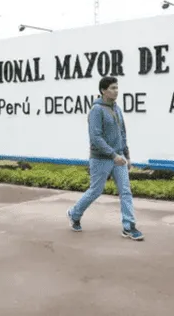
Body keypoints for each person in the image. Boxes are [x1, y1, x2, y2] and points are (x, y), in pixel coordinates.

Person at [67, 76, 144, 241]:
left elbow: (122, 133)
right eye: (113, 88)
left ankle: (129, 226)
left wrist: (126, 155)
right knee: (96, 190)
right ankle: (74, 214)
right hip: (101, 158)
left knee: (125, 191)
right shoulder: (97, 110)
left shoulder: (117, 109)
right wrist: (112, 155)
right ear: (103, 90)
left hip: (119, 157)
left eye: (117, 88)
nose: (116, 91)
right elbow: (95, 137)